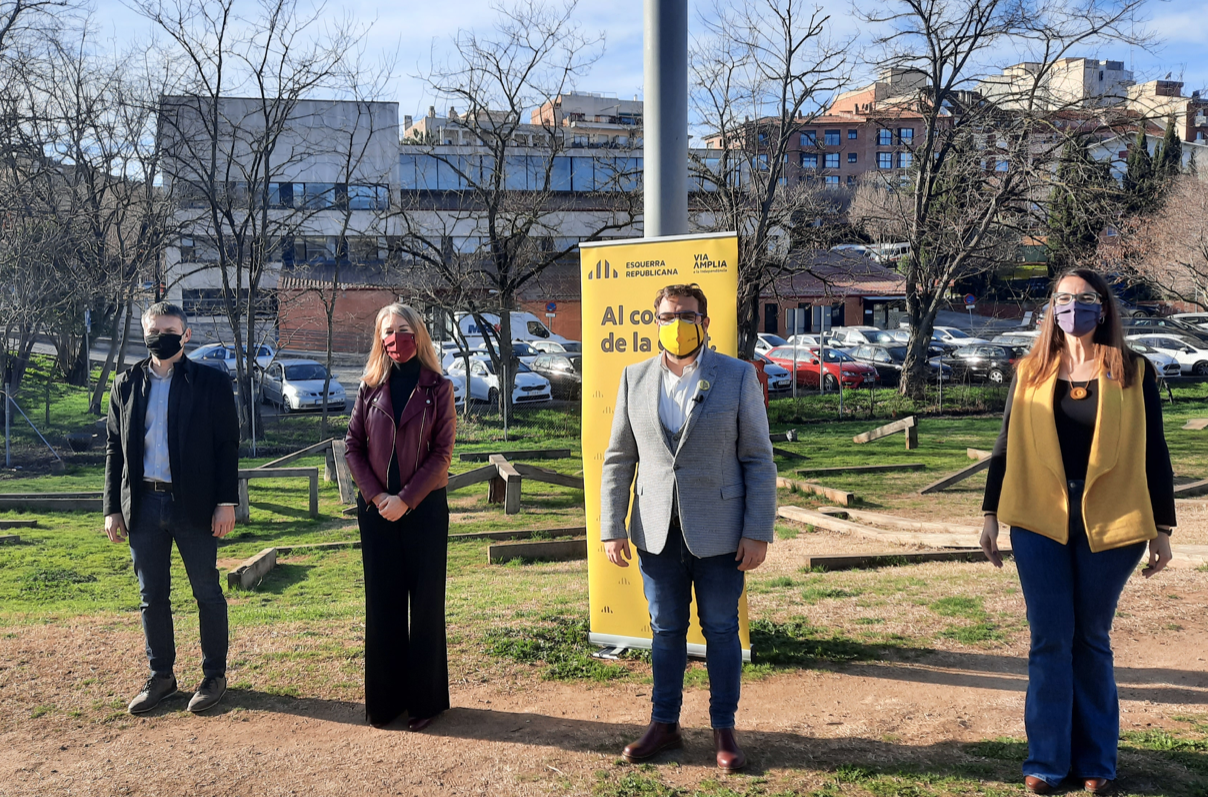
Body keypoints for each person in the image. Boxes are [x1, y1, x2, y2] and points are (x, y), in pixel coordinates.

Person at [980, 268, 1176, 795]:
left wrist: (1162, 527)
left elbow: (1155, 451)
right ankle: (1046, 761)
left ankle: (1096, 762)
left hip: (1111, 521)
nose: (1074, 307)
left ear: (1103, 307)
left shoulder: (1134, 371)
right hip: (1038, 517)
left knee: (1091, 638)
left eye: (1084, 298)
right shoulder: (1031, 370)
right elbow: (1004, 446)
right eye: (1064, 299)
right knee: (1049, 639)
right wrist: (989, 514)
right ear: (1052, 308)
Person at [600, 283, 777, 773]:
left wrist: (758, 529)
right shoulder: (633, 378)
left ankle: (724, 728)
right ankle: (664, 723)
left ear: (705, 322)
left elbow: (759, 459)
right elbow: (618, 459)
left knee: (721, 629)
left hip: (721, 532)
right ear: (655, 322)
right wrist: (611, 527)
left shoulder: (738, 376)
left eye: (687, 315)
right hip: (656, 530)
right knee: (665, 630)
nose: (677, 323)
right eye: (667, 315)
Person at [103, 302, 240, 715]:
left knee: (207, 593)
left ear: (186, 335)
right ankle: (162, 676)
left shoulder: (211, 383)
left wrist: (226, 502)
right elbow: (114, 449)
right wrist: (113, 508)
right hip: (143, 505)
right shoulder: (125, 383)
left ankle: (214, 676)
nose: (159, 336)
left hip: (194, 506)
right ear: (143, 335)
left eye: (168, 329)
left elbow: (226, 446)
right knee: (152, 596)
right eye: (152, 330)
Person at [345, 303, 456, 730]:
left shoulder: (438, 387)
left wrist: (406, 499)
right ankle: (386, 702)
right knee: (383, 605)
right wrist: (376, 497)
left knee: (425, 606)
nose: (395, 338)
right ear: (379, 338)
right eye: (387, 331)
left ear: (419, 334)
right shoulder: (369, 386)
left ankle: (426, 702)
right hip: (376, 514)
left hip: (424, 510)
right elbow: (352, 446)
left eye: (403, 329)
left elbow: (442, 455)